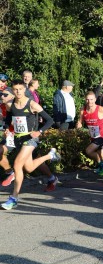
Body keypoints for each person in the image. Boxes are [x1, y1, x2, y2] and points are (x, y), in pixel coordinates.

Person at [1, 80, 61, 210]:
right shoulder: (10, 105)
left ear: (24, 89)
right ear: (12, 90)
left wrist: (38, 131)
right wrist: (6, 127)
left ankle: (13, 198)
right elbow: (8, 118)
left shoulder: (32, 104)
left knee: (17, 164)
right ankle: (50, 155)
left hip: (30, 139)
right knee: (29, 168)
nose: (18, 92)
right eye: (15, 89)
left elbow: (50, 120)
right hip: (18, 139)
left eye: (20, 89)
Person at [76, 91, 103, 183]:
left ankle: (102, 165)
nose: (89, 102)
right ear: (85, 99)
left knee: (88, 151)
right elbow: (80, 122)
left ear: (95, 99)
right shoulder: (83, 110)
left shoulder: (100, 109)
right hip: (93, 136)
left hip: (102, 136)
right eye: (87, 99)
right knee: (102, 157)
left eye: (91, 99)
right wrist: (78, 124)